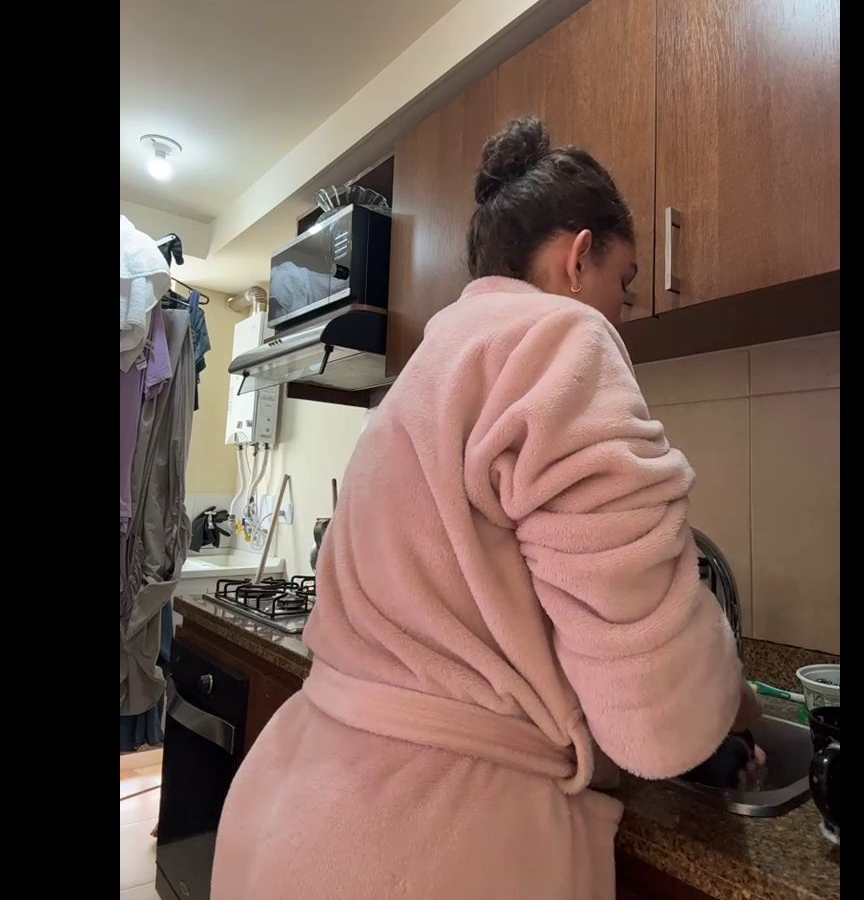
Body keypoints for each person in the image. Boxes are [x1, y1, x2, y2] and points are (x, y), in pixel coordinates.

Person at [211, 116, 759, 900]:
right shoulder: (564, 339)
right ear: (578, 258)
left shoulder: (428, 369)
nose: (624, 312)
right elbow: (658, 721)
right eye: (625, 284)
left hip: (293, 810)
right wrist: (724, 697)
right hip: (434, 845)